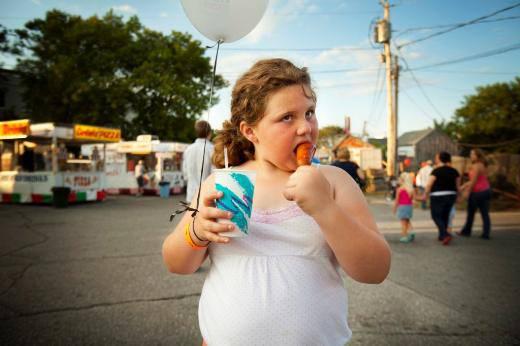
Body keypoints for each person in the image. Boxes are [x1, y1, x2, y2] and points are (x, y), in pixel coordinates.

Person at [162, 58, 391, 345]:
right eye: (287, 118)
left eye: (309, 113)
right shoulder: (223, 184)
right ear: (250, 131)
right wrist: (195, 232)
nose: (305, 128)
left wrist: (324, 208)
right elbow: (176, 263)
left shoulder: (333, 182)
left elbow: (375, 270)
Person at [423, 152, 460, 245]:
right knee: (445, 215)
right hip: (451, 195)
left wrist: (425, 194)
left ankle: (445, 234)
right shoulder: (454, 171)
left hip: (437, 195)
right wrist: (459, 196)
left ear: (439, 159)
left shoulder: (436, 171)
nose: (435, 159)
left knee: (436, 215)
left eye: (436, 157)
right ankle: (442, 235)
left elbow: (429, 184)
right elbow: (457, 186)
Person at [457, 148, 492, 239]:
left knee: (471, 213)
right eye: (470, 154)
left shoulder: (476, 166)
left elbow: (474, 181)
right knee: (484, 213)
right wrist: (464, 186)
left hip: (478, 192)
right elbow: (478, 179)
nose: (470, 156)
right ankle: (486, 233)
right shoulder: (483, 165)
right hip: (486, 190)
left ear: (478, 156)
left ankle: (466, 231)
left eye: (472, 154)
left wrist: (467, 192)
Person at [182, 120, 214, 203]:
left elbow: (185, 173)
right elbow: (215, 174)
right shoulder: (212, 149)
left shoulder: (188, 149)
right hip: (207, 195)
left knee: (193, 216)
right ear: (209, 133)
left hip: (191, 194)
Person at [393, 172, 416, 243]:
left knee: (403, 223)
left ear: (402, 180)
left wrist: (394, 208)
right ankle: (412, 231)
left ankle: (404, 236)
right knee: (407, 220)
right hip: (409, 206)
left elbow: (397, 201)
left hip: (402, 207)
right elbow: (413, 199)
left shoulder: (399, 189)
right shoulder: (411, 189)